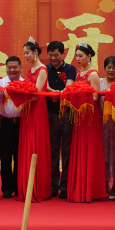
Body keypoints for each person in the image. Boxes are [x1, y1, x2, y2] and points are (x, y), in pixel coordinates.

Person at [66, 43, 106, 203]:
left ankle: (88, 190)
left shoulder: (93, 74)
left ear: (89, 56)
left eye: (80, 56)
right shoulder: (79, 74)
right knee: (78, 148)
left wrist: (79, 93)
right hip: (79, 115)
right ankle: (79, 188)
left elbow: (95, 97)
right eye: (76, 56)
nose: (77, 59)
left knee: (88, 148)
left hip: (89, 116)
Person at [17, 38, 52, 202]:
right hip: (28, 109)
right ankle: (27, 186)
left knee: (35, 142)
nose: (25, 56)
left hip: (37, 109)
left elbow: (37, 93)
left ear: (35, 52)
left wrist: (19, 95)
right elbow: (46, 87)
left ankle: (38, 187)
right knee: (27, 143)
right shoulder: (30, 70)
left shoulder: (42, 69)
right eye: (24, 53)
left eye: (27, 53)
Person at [46, 41, 76, 199]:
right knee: (52, 152)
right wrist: (54, 93)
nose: (53, 58)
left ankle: (65, 186)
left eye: (56, 55)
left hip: (67, 115)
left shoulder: (70, 69)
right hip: (50, 115)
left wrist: (61, 93)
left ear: (63, 54)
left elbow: (69, 86)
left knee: (67, 151)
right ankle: (53, 185)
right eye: (50, 55)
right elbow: (43, 85)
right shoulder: (45, 69)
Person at [0, 56, 24, 198]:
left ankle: (19, 186)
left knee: (19, 156)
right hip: (4, 123)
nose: (12, 70)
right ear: (6, 68)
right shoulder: (0, 82)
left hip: (21, 123)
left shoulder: (26, 83)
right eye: (9, 67)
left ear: (20, 68)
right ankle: (6, 188)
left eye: (15, 67)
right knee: (5, 157)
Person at [99, 56, 115, 199]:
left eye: (114, 68)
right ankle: (104, 184)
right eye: (109, 67)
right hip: (101, 123)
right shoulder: (99, 82)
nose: (111, 70)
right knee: (103, 154)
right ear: (104, 68)